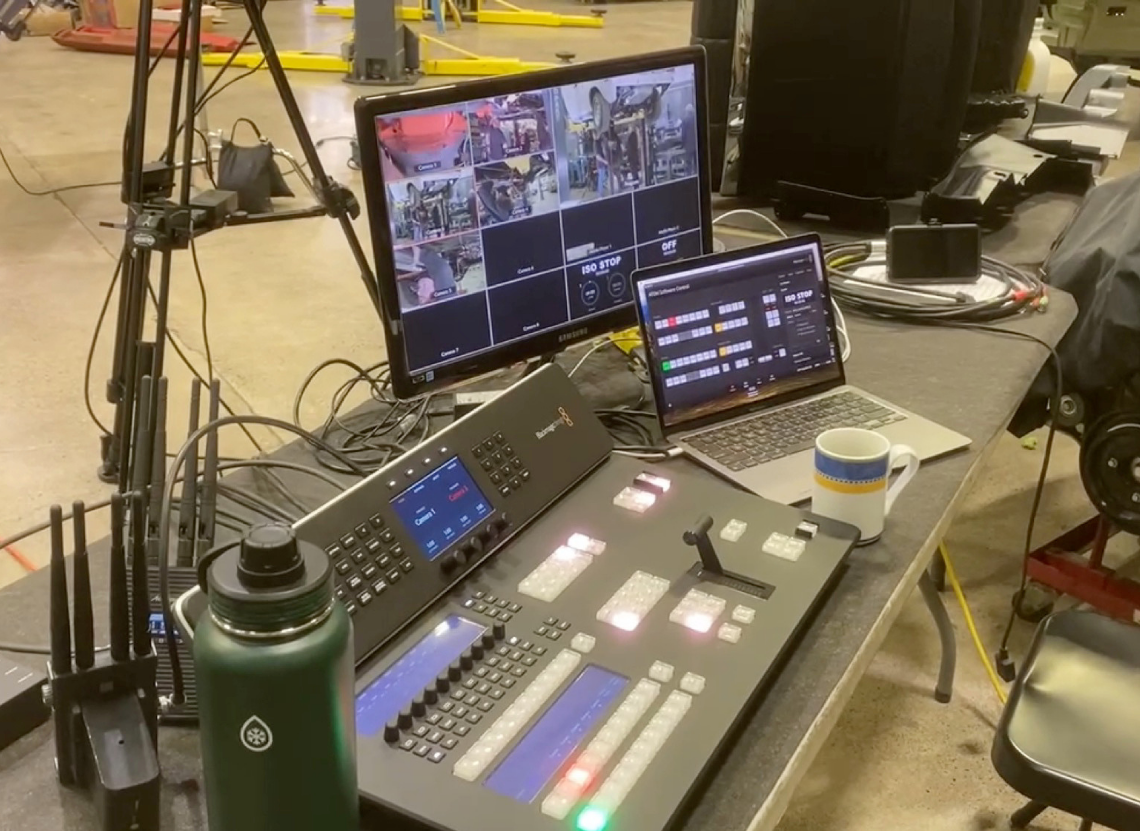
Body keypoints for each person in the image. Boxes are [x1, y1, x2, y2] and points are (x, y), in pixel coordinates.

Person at [680, 103, 697, 176]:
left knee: (688, 162)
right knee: (696, 162)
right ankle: (696, 174)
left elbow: (683, 133)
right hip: (696, 144)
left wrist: (682, 144)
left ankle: (689, 176)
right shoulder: (696, 118)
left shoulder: (685, 119)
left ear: (687, 111)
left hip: (688, 145)